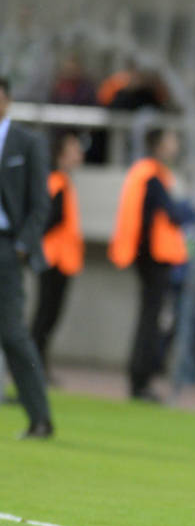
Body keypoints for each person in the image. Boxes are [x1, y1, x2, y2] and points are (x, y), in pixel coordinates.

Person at [109, 128, 189, 401]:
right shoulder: (152, 176)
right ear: (159, 145)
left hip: (146, 257)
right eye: (171, 140)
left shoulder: (145, 173)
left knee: (149, 318)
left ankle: (140, 378)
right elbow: (171, 214)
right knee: (150, 320)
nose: (175, 145)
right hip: (154, 258)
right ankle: (140, 379)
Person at [0, 76, 53, 438]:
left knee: (13, 334)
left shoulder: (28, 143)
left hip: (6, 246)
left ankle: (39, 417)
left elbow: (40, 204)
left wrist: (21, 246)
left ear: (7, 101)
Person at [32, 131, 85, 370]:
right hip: (53, 258)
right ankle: (34, 364)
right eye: (73, 149)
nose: (79, 154)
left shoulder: (63, 181)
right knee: (46, 314)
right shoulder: (56, 181)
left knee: (50, 314)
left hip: (62, 259)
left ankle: (39, 363)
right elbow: (46, 219)